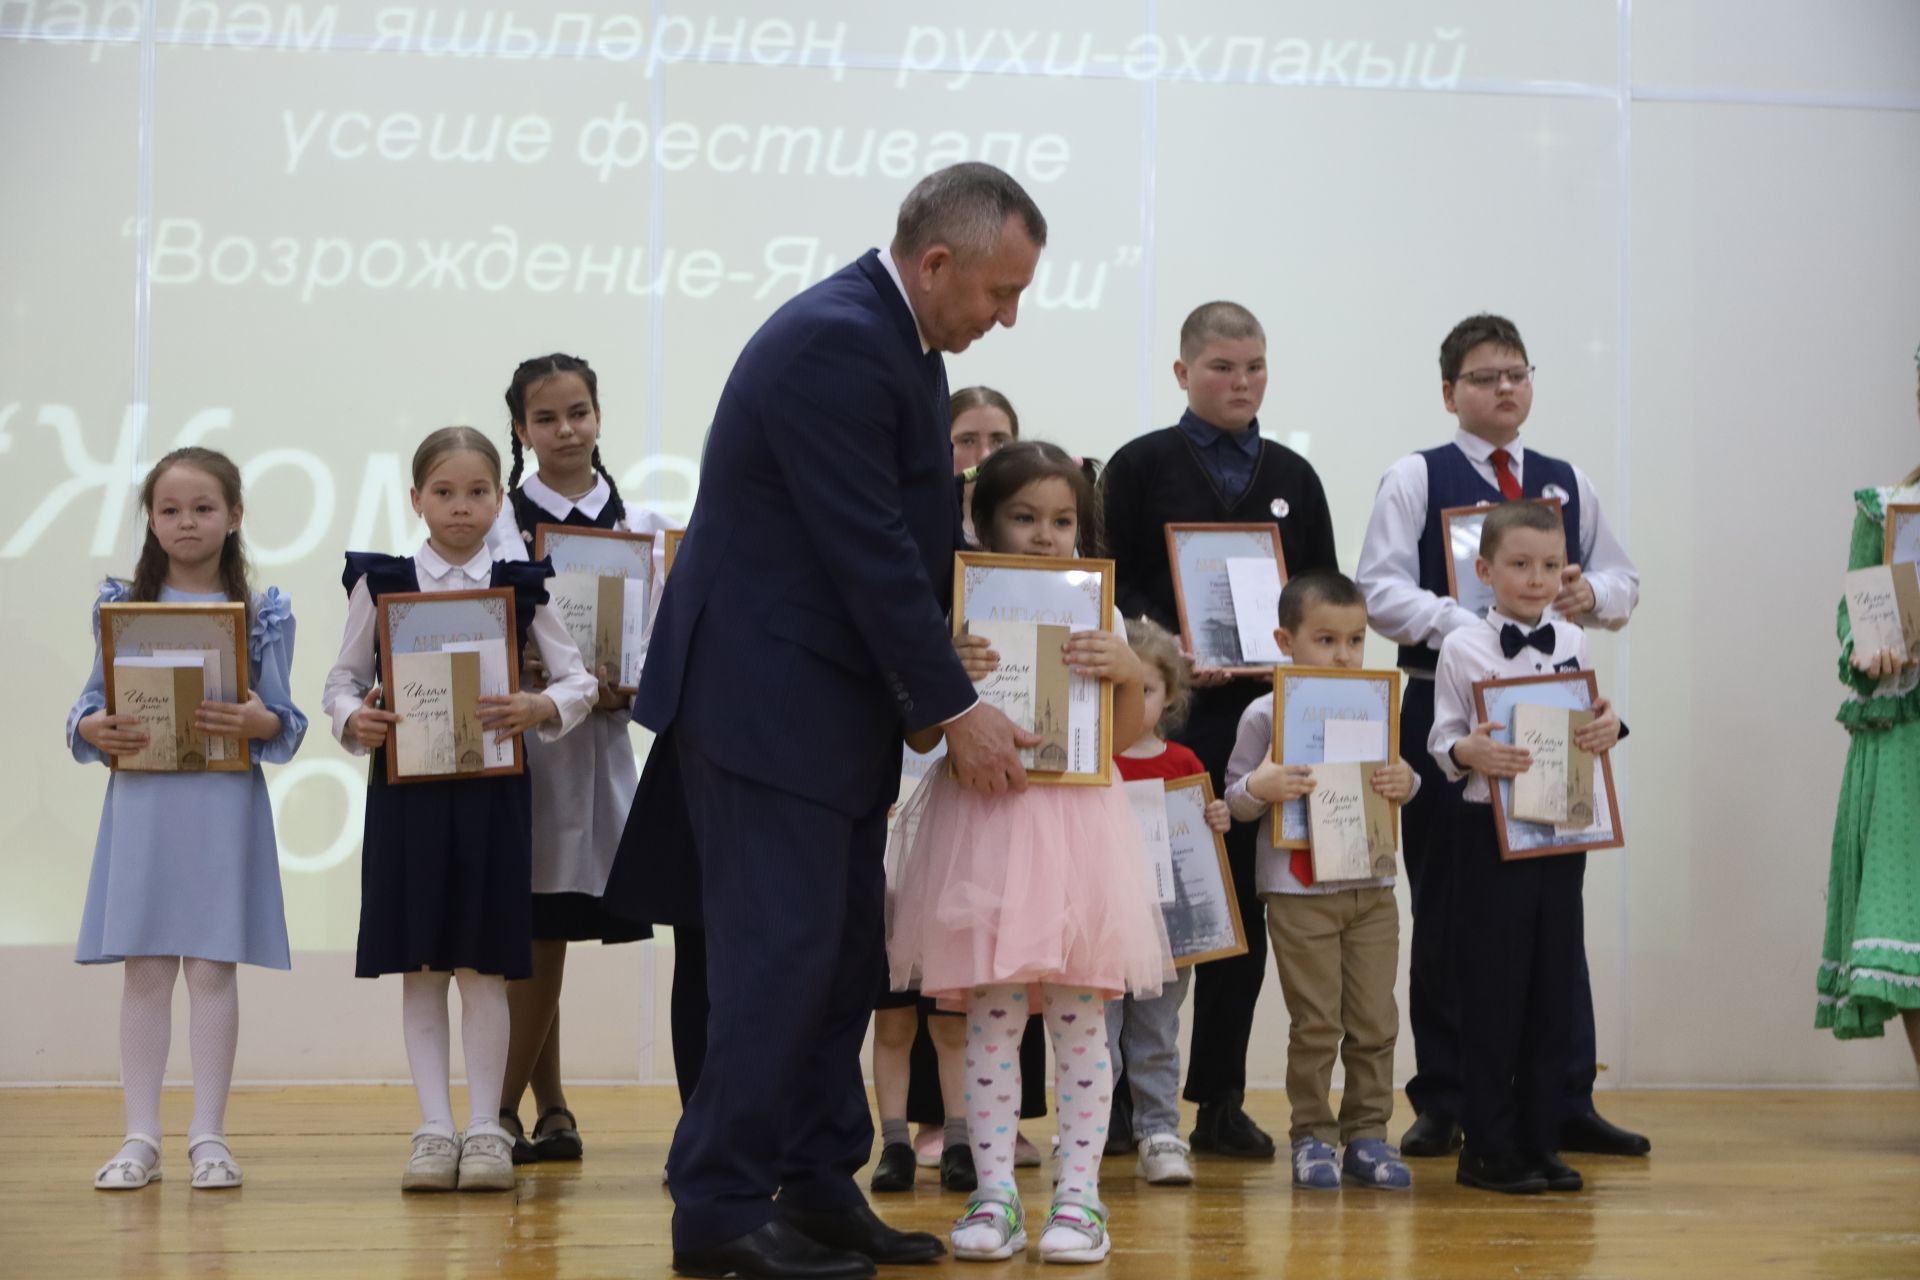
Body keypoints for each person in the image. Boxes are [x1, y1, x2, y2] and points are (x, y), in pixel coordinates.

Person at [626, 162, 1046, 1280]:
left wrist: (961, 642)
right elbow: (866, 547)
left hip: (823, 709)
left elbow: (903, 543)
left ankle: (815, 1186)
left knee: (840, 953)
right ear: (937, 261)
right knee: (780, 959)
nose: (1007, 316)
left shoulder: (898, 344)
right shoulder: (839, 340)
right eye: (1000, 291)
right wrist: (956, 706)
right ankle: (717, 1205)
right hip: (768, 705)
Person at [1356, 313, 1647, 1160]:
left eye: (1517, 373)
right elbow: (1379, 591)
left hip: (1555, 712)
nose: (1505, 388)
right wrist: (1475, 626)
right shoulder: (1416, 475)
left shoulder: (1568, 480)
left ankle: (1562, 1098)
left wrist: (1589, 595)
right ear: (1450, 392)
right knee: (1451, 908)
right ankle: (1449, 1097)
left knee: (1557, 913)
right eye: (1485, 377)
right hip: (1447, 703)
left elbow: (1625, 581)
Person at [887, 441, 1175, 1262]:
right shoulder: (953, 609)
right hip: (985, 830)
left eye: (1063, 520)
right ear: (982, 520)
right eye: (1025, 517)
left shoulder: (1102, 610)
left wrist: (1124, 674)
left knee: (1083, 1018)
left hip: (1078, 833)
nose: (1047, 536)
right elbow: (916, 732)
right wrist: (948, 677)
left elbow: (1116, 743)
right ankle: (994, 1194)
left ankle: (1080, 1197)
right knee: (992, 1017)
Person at [323, 427, 597, 1194]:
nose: (461, 507)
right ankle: (433, 1129)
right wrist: (356, 721)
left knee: (484, 967)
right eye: (443, 492)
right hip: (407, 797)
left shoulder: (519, 584)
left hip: (491, 795)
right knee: (421, 965)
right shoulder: (380, 583)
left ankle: (486, 1129)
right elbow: (341, 683)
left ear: (496, 500)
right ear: (415, 499)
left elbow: (576, 682)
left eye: (478, 491)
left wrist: (535, 702)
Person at [1100, 300, 1338, 1158]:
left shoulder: (1294, 477)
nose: (1242, 383)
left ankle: (1221, 1100)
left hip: (1265, 733)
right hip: (1159, 724)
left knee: (1242, 917)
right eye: (1223, 368)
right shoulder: (1137, 468)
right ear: (1182, 373)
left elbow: (1321, 603)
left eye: (1256, 367)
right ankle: (1123, 1102)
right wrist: (1167, 655)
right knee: (1144, 910)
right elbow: (1111, 590)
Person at [70, 447, 306, 1191]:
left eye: (203, 508)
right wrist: (92, 730)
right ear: (150, 519)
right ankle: (141, 1135)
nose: (186, 522)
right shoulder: (121, 603)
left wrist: (255, 718)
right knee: (145, 969)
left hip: (221, 805)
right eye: (170, 509)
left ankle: (209, 1135)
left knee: (210, 967)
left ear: (235, 517)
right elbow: (86, 708)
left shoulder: (263, 613)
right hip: (144, 806)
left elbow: (287, 723)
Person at [486, 353, 677, 1164]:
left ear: (599, 416)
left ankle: (513, 1111)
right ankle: (537, 1106)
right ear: (520, 431)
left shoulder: (644, 526)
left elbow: (662, 639)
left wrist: (636, 684)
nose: (566, 431)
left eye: (579, 413)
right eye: (546, 418)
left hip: (596, 753)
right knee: (534, 933)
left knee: (548, 927)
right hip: (518, 749)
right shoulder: (493, 521)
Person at [1428, 501, 1621, 1193]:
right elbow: (1440, 740)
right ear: (1484, 571)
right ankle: (1486, 1146)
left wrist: (1609, 725)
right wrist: (1468, 750)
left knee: (1552, 987)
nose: (1535, 579)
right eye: (1518, 565)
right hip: (1492, 833)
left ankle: (1541, 1141)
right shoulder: (1462, 647)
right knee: (1494, 990)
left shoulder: (1574, 641)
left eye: (1548, 566)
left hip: (1563, 832)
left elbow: (1591, 714)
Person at [1223, 572, 1417, 1192]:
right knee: (1316, 1023)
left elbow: (1401, 777)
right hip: (1297, 889)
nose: (1343, 654)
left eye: (1355, 640)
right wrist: (1262, 786)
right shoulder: (1263, 712)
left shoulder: (1378, 700)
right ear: (1286, 638)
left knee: (1376, 1020)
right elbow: (1233, 800)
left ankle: (1367, 1135)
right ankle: (1311, 1134)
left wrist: (1404, 784)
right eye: (1326, 639)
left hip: (1370, 885)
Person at [1817, 342, 1920, 1061]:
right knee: (1906, 924)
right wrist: (1871, 650)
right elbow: (1863, 617)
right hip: (1907, 742)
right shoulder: (1889, 511)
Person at [1105, 617, 1232, 1187]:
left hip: (1167, 931)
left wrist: (1217, 818)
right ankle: (1089, 1130)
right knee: (1096, 1034)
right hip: (1103, 928)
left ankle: (1158, 1132)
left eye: (1145, 690)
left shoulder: (1183, 763)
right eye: (1117, 688)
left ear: (1171, 695)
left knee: (1155, 1034)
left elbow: (1199, 836)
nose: (1130, 700)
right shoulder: (1092, 760)